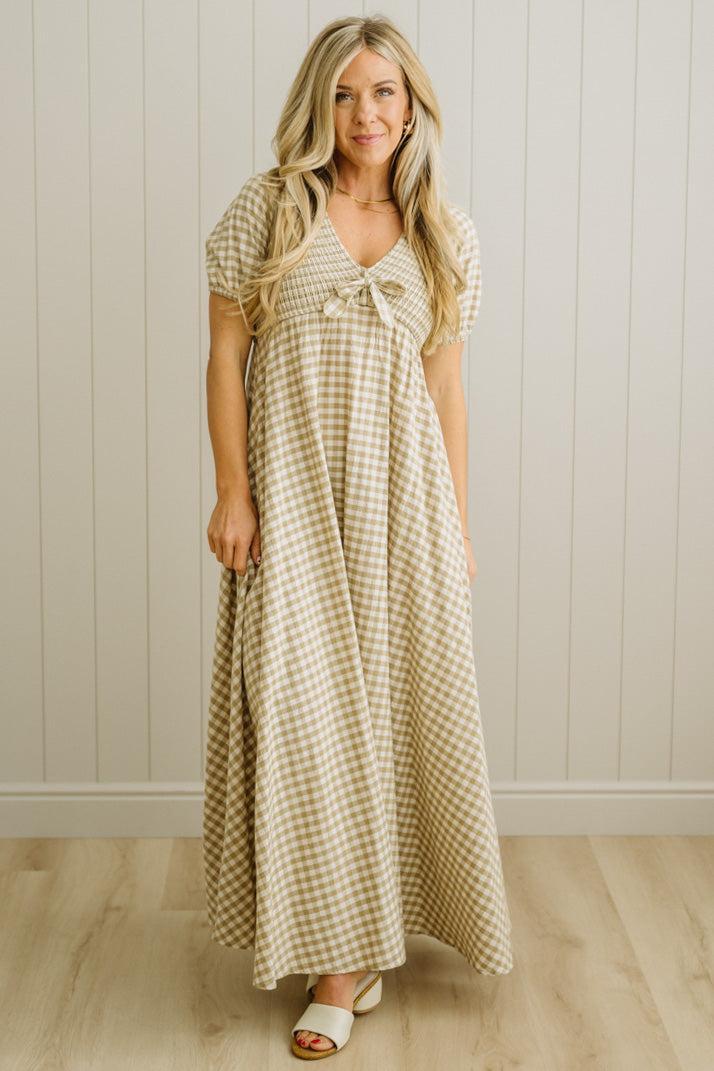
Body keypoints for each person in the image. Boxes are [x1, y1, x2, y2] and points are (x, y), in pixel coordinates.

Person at [202, 13, 514, 1060]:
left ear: (412, 103)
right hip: (289, 492)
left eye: (384, 92)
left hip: (406, 506)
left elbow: (447, 391)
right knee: (301, 706)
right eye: (344, 94)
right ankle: (336, 945)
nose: (365, 113)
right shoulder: (270, 208)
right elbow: (224, 357)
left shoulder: (444, 232)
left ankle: (351, 959)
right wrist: (233, 492)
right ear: (316, 105)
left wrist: (457, 529)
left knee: (388, 713)